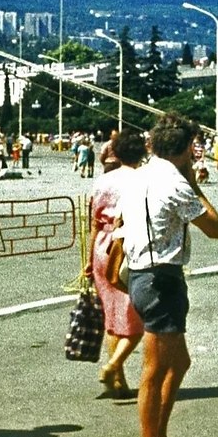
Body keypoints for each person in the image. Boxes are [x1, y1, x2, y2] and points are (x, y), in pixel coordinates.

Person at [119, 113, 218, 437]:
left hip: (140, 272)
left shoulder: (137, 177)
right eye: (193, 147)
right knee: (156, 368)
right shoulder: (176, 184)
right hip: (161, 276)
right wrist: (195, 185)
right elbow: (214, 227)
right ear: (184, 149)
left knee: (179, 362)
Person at [85, 130, 147, 399]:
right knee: (137, 314)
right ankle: (114, 367)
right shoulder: (143, 179)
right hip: (129, 243)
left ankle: (118, 381)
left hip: (102, 244)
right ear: (142, 153)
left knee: (112, 315)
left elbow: (93, 221)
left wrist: (88, 260)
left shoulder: (103, 181)